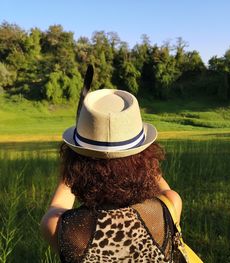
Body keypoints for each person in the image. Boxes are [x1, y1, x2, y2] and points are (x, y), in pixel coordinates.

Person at [40, 68, 182, 262]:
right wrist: (141, 157)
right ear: (145, 158)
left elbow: (57, 205)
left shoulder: (60, 227)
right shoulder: (170, 206)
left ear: (75, 166)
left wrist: (71, 164)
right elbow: (154, 176)